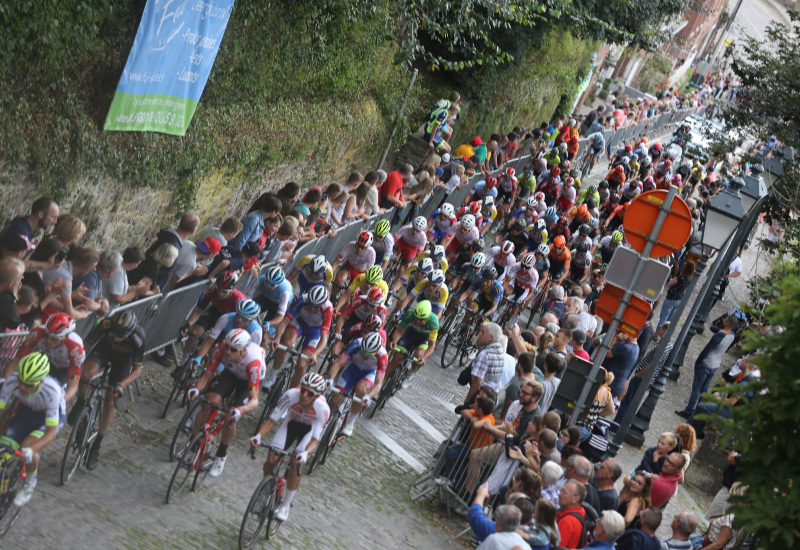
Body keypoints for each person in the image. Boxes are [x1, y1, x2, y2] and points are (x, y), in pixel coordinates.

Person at [70, 310, 145, 470]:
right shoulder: (107, 323)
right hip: (104, 350)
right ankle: (81, 401)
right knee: (87, 373)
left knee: (110, 401)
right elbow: (86, 345)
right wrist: (76, 363)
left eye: (121, 336)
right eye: (114, 334)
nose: (116, 338)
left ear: (130, 331)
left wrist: (122, 385)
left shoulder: (138, 338)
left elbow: (137, 371)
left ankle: (97, 444)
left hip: (123, 362)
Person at [249, 372, 329, 523]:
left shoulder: (322, 409)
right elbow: (272, 420)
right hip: (291, 423)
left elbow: (314, 440)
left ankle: (285, 506)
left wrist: (305, 453)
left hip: (309, 430)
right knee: (271, 457)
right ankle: (267, 490)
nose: (304, 395)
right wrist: (258, 435)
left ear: (317, 396)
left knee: (296, 463)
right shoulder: (291, 395)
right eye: (303, 389)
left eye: (309, 393)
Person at [186, 329, 265, 478]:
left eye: (233, 349)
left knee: (230, 417)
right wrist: (196, 389)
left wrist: (240, 411)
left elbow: (254, 401)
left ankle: (221, 454)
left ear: (243, 351)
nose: (228, 351)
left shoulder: (253, 363)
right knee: (210, 401)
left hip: (247, 381)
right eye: (227, 346)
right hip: (231, 374)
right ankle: (193, 443)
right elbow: (208, 374)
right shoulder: (222, 348)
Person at [0, 352, 65, 506]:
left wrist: (30, 451)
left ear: (40, 381)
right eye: (21, 381)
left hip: (47, 419)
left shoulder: (52, 391)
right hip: (26, 411)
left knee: (27, 448)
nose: (22, 387)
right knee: (3, 446)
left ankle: (29, 483)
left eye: (28, 384)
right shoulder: (12, 381)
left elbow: (50, 434)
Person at [6, 313, 84, 402]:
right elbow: (16, 362)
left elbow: (72, 387)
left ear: (65, 338)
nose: (48, 341)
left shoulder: (75, 347)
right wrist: (4, 382)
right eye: (46, 335)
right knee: (25, 389)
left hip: (66, 369)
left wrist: (57, 403)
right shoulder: (37, 333)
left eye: (54, 339)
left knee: (53, 397)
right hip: (48, 363)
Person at [268, 285, 333, 389]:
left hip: (314, 331)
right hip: (300, 323)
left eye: (316, 307)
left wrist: (315, 354)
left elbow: (324, 338)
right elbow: (285, 321)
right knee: (286, 343)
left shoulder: (328, 309)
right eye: (311, 304)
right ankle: (272, 377)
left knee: (301, 365)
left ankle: (290, 392)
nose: (312, 308)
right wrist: (277, 338)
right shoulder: (303, 299)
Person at [325, 332, 388, 436]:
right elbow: (339, 363)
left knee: (361, 390)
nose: (365, 356)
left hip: (368, 373)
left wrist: (369, 396)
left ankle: (350, 422)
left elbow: (378, 383)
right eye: (363, 352)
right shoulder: (356, 344)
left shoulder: (383, 356)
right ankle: (326, 422)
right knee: (336, 398)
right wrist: (330, 379)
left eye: (369, 354)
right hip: (352, 368)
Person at [676, 315, 735, 418]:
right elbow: (713, 328)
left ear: (726, 323)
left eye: (725, 319)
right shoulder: (732, 336)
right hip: (715, 364)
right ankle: (699, 411)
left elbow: (706, 350)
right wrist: (721, 328)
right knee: (704, 389)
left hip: (706, 363)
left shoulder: (718, 336)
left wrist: (698, 361)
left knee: (696, 388)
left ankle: (689, 410)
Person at [615, 322, 671, 422]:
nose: (659, 328)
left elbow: (653, 364)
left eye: (662, 327)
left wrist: (640, 374)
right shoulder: (667, 344)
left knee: (628, 401)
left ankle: (616, 424)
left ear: (664, 330)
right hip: (644, 377)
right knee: (630, 401)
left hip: (643, 378)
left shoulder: (663, 346)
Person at [465, 323, 506, 404]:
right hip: (491, 396)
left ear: (491, 337)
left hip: (481, 396)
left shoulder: (485, 354)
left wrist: (468, 400)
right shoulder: (500, 351)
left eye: (483, 332)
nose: (479, 334)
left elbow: (477, 382)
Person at [601, 331, 639, 399]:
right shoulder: (636, 348)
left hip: (609, 383)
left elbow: (605, 352)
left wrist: (616, 340)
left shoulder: (626, 347)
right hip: (616, 384)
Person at [556, 480, 587, 549]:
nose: (559, 494)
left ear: (575, 499)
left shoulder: (567, 521)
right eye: (561, 490)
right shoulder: (581, 512)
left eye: (564, 492)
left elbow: (556, 547)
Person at [0, 258, 24, 331]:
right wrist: (14, 294)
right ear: (11, 283)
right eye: (20, 278)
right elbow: (14, 322)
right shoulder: (6, 299)